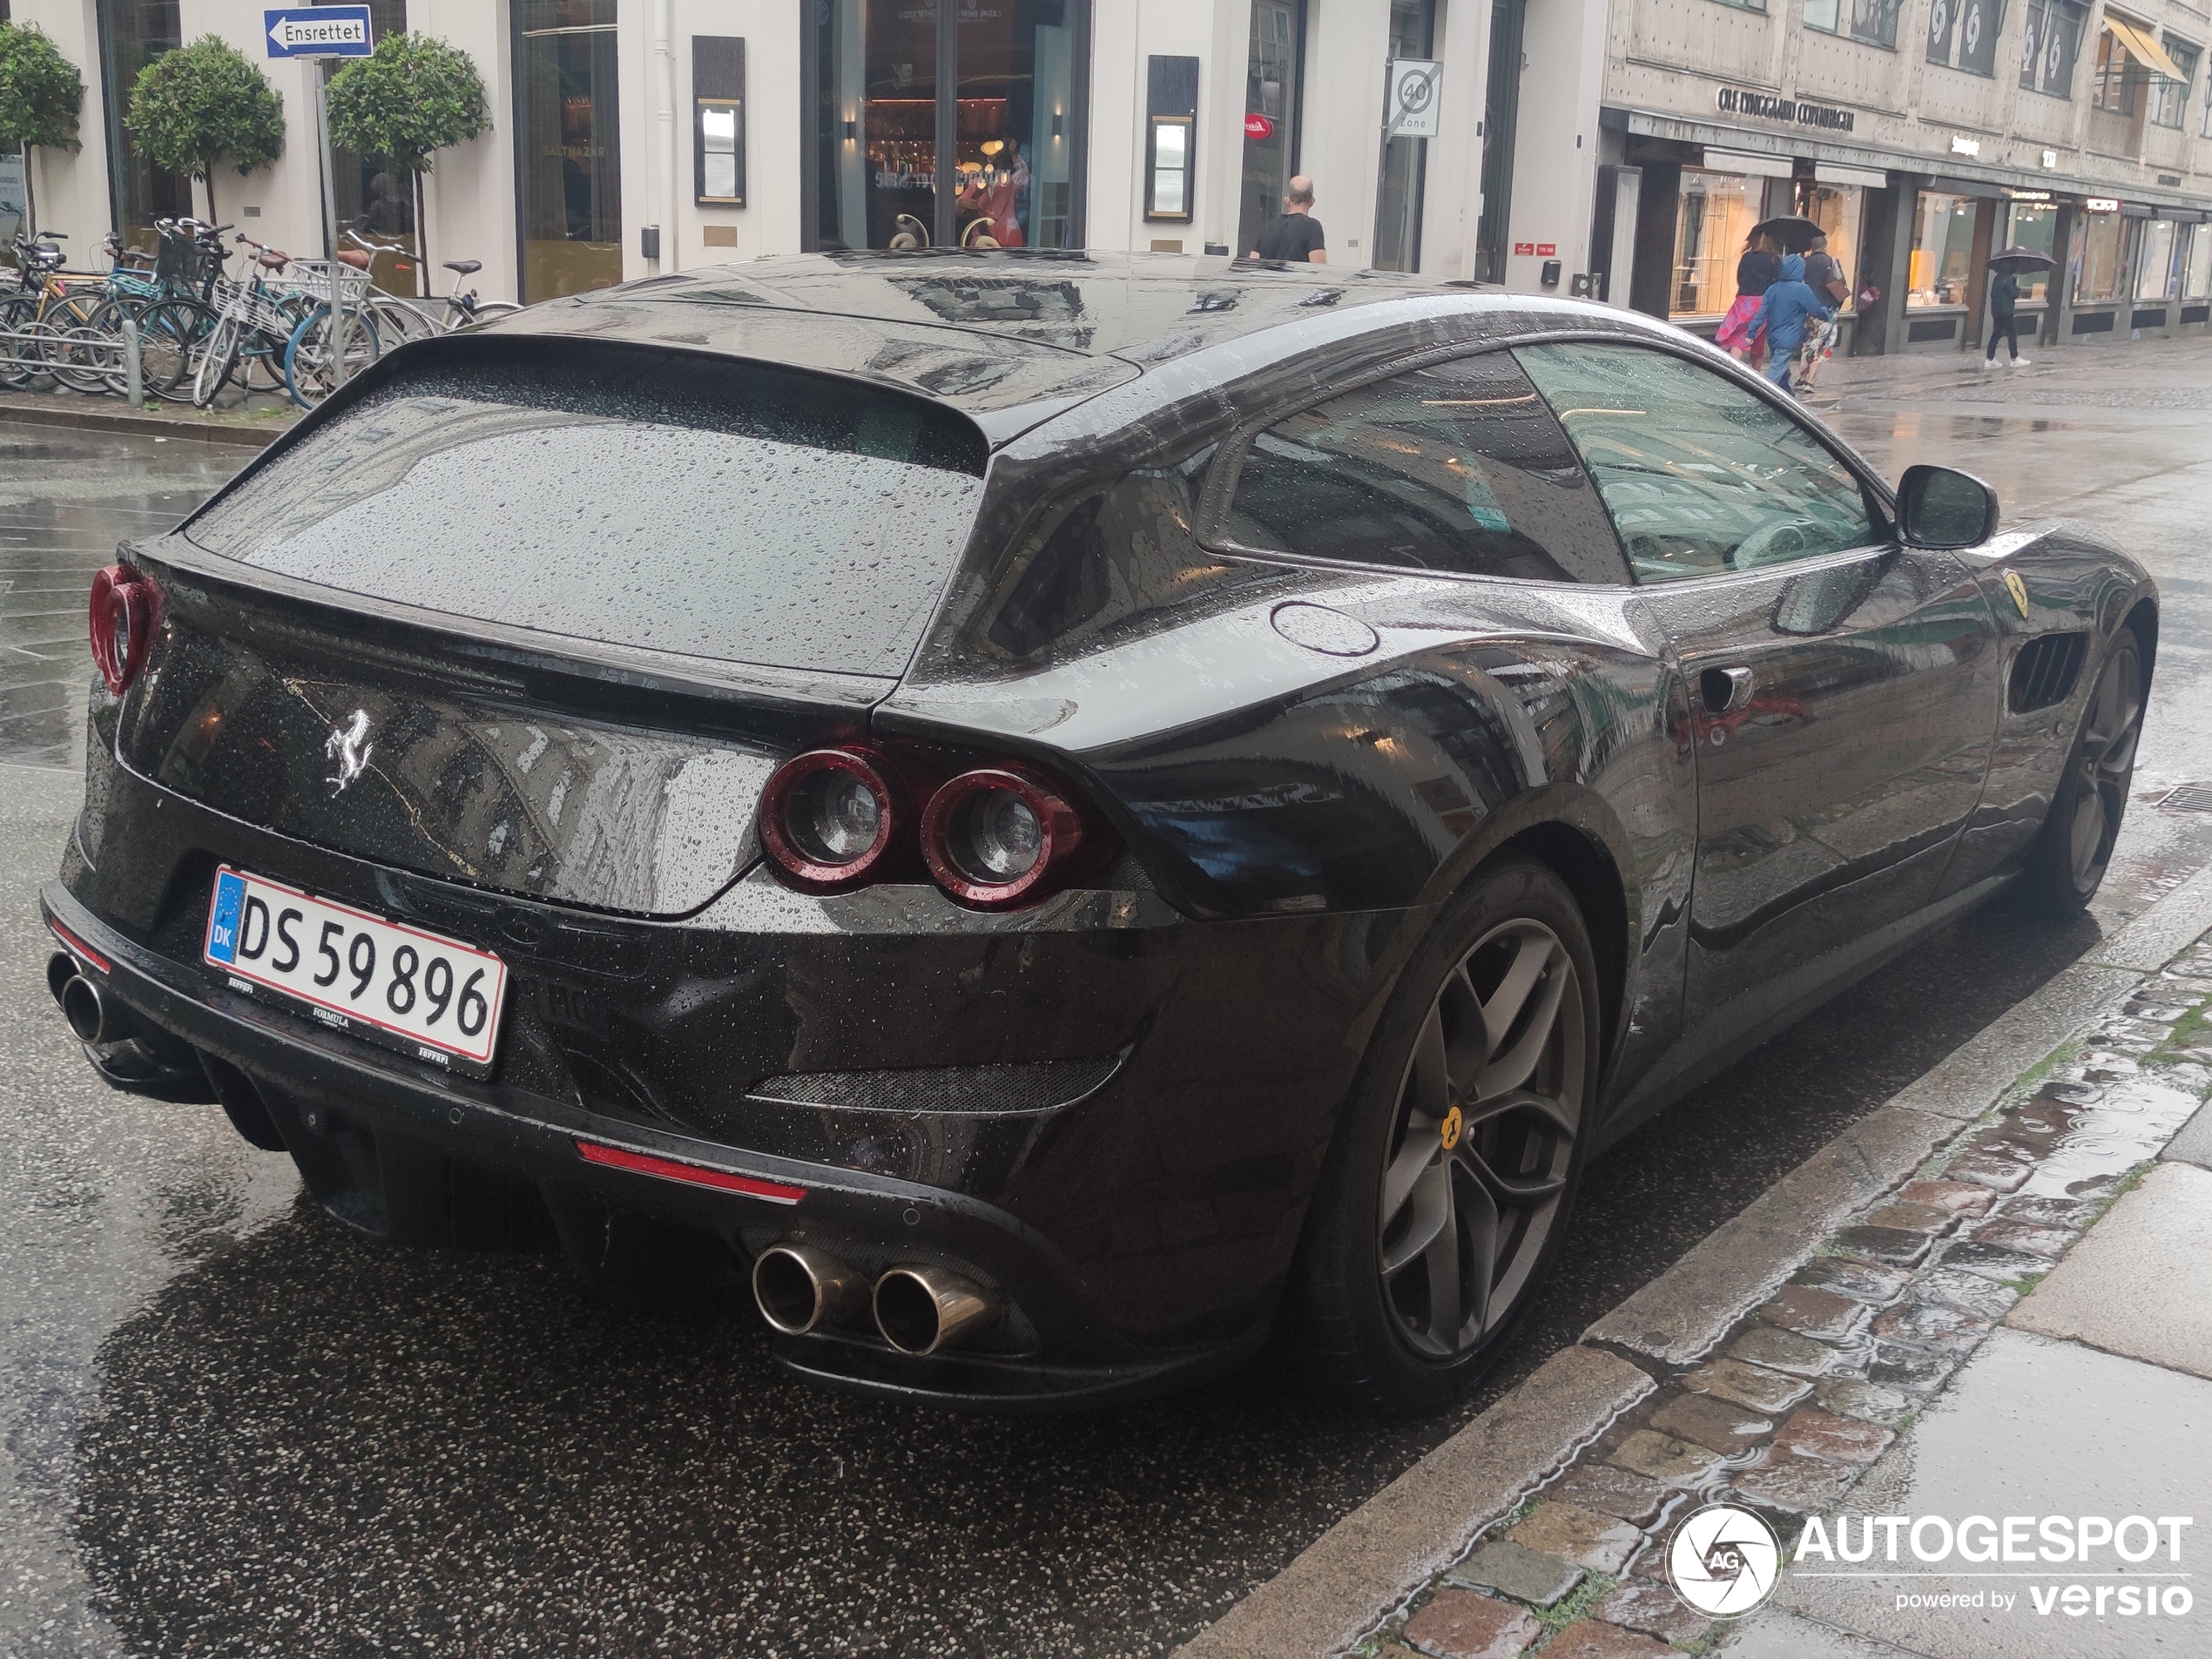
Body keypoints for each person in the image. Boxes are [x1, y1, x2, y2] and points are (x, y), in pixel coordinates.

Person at [1750, 253, 1832, 395]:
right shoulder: (1801, 289)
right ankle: (1761, 395)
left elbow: (1762, 313)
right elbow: (1815, 309)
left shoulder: (1773, 288)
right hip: (1789, 336)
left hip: (1773, 336)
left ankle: (1788, 396)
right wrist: (1826, 314)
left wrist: (1752, 331)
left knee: (1783, 369)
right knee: (1777, 369)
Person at [1714, 233, 1782, 363]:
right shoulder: (1774, 259)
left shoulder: (1747, 257)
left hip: (1743, 300)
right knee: (1756, 338)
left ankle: (1734, 363)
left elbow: (1739, 277)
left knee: (1738, 333)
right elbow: (1777, 283)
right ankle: (1740, 368)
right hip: (1762, 301)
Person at [1251, 177, 1327, 264]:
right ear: (1312, 201)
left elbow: (1253, 259)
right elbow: (1319, 267)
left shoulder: (1270, 226)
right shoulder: (1313, 227)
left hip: (1268, 277)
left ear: (1287, 200)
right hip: (1298, 277)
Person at [1986, 266, 2029, 368]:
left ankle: (1989, 359)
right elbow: (2013, 293)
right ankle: (2014, 359)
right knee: (2012, 334)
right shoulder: (2008, 278)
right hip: (2006, 312)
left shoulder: (1997, 278)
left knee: (1996, 334)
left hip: (1996, 311)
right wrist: (2018, 288)